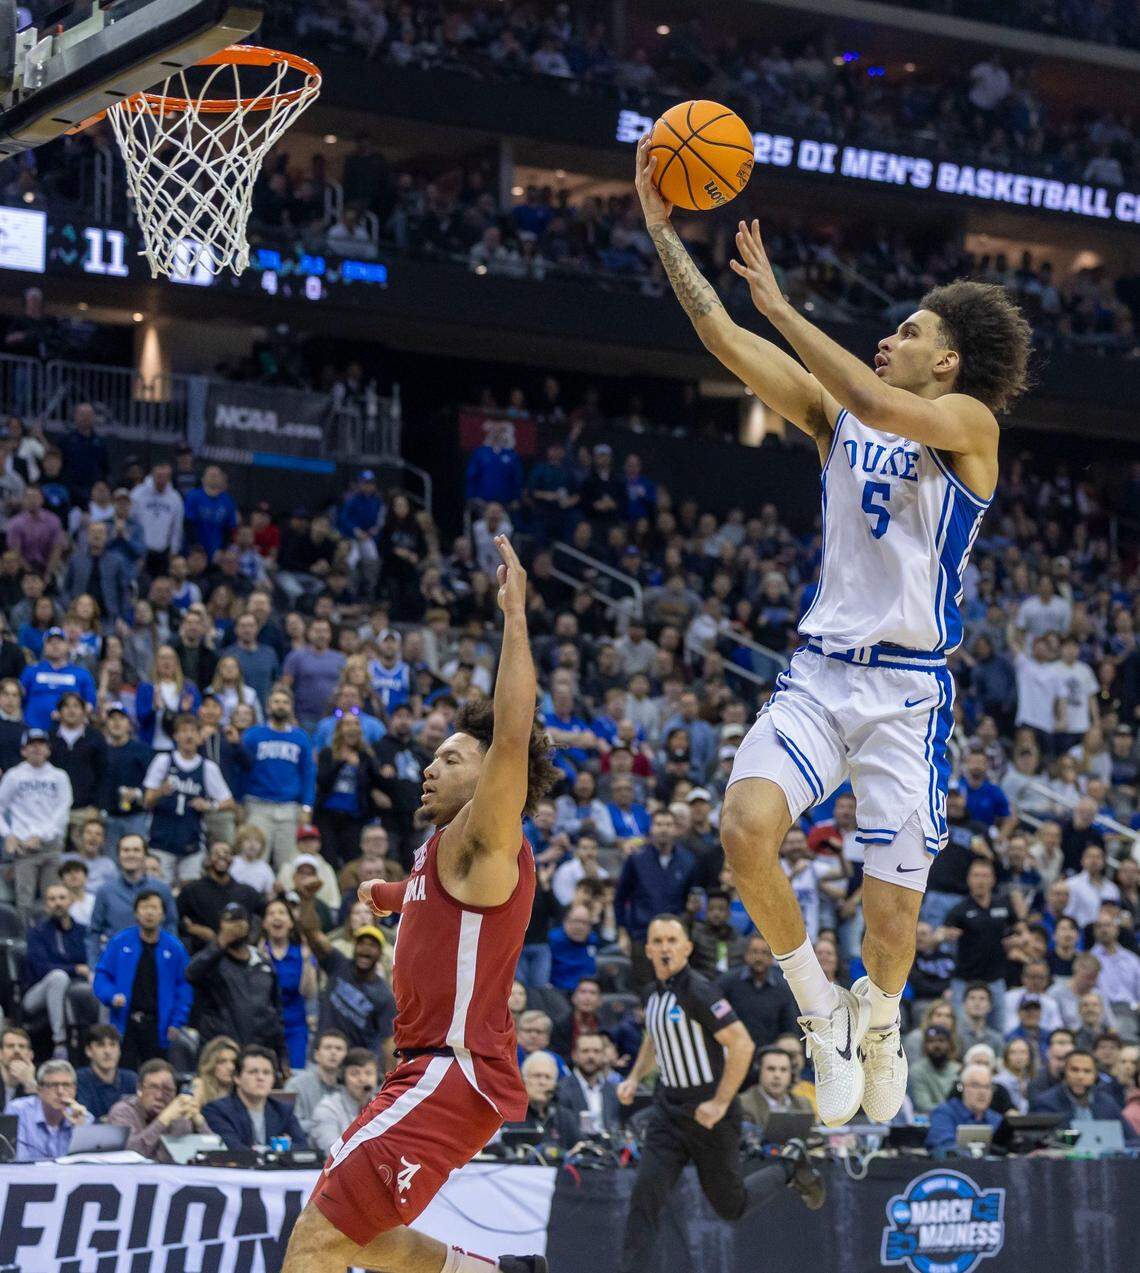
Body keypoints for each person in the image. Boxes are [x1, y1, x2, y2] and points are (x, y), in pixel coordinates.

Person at [634, 138, 1031, 1128]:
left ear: (946, 359)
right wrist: (662, 234)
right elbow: (727, 340)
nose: (888, 338)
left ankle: (882, 1015)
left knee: (890, 922)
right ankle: (819, 1009)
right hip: (820, 675)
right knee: (743, 831)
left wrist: (785, 305)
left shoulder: (971, 426)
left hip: (907, 698)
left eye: (906, 330)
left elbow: (872, 394)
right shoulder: (839, 421)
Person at [283, 536, 558, 1273]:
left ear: (493, 778)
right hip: (426, 1068)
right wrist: (379, 896)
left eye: (451, 757)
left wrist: (514, 617)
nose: (430, 765)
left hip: (452, 1068)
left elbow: (512, 731)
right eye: (432, 755)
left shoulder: (487, 836)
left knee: (313, 1244)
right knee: (356, 1238)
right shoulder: (444, 856)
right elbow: (428, 903)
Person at [616, 915, 824, 1273]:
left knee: (731, 1205)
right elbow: (655, 1036)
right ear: (648, 949)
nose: (665, 947)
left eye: (672, 940)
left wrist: (720, 1102)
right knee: (644, 1198)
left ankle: (790, 1164)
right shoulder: (652, 995)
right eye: (658, 941)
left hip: (711, 1114)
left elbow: (742, 1045)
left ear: (687, 948)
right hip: (669, 1112)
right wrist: (635, 1078)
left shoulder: (699, 991)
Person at [92, 889, 193, 1071]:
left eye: (154, 908)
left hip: (158, 1026)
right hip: (125, 1023)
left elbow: (184, 987)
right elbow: (102, 976)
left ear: (163, 914)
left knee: (156, 1076)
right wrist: (111, 996)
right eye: (144, 907)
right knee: (124, 1076)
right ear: (136, 913)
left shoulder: (175, 948)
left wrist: (177, 1021)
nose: (149, 912)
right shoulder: (120, 942)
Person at [296, 887, 396, 1065]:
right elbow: (311, 933)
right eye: (361, 943)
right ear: (354, 947)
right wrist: (307, 901)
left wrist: (389, 1080)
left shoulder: (384, 995)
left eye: (372, 945)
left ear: (380, 953)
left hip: (354, 1069)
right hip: (321, 1059)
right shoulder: (338, 964)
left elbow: (387, 1042)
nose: (365, 949)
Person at [185, 902, 288, 1071]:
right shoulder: (211, 962)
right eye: (229, 922)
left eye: (239, 921)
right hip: (220, 1056)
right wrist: (221, 942)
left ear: (249, 925)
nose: (234, 927)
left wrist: (282, 1055)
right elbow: (190, 974)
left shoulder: (264, 965)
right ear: (220, 926)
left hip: (258, 1054)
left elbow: (276, 1013)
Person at [143, 713, 234, 883]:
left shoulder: (208, 767)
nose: (189, 735)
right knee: (159, 890)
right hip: (161, 841)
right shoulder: (163, 761)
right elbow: (147, 800)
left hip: (192, 843)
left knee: (189, 893)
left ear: (200, 737)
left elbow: (229, 802)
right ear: (175, 736)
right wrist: (161, 791)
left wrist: (209, 806)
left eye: (193, 731)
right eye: (184, 731)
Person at [614, 808, 698, 985]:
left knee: (675, 988)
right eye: (659, 824)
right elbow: (620, 898)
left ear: (675, 829)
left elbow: (690, 899)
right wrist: (622, 932)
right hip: (642, 936)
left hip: (675, 937)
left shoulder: (688, 860)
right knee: (645, 990)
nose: (664, 829)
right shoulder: (636, 859)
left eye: (668, 824)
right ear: (651, 828)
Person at [241, 686, 316, 869]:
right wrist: (239, 800)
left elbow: (308, 772)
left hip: (289, 807)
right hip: (258, 804)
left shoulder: (300, 737)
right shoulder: (253, 735)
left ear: (291, 707)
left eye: (285, 702)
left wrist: (307, 806)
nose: (280, 706)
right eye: (276, 702)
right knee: (254, 859)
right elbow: (241, 770)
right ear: (268, 707)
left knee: (288, 864)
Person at [22, 882, 97, 1057]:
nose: (58, 903)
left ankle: (101, 1035)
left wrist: (87, 971)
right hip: (36, 993)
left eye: (62, 898)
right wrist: (76, 969)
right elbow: (41, 969)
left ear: (71, 901)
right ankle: (60, 1042)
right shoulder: (37, 932)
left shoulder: (83, 931)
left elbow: (91, 961)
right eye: (52, 899)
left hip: (74, 990)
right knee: (58, 976)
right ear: (46, 904)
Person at [0, 727, 72, 910]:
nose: (37, 748)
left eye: (41, 744)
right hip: (24, 848)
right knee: (24, 900)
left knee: (53, 898)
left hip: (51, 845)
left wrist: (41, 835)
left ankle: (48, 938)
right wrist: (7, 834)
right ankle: (25, 938)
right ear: (24, 750)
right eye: (32, 745)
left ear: (48, 749)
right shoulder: (14, 776)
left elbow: (63, 810)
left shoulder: (59, 776)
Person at [86, 834, 177, 965]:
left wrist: (168, 959)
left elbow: (170, 925)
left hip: (155, 962)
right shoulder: (105, 891)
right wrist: (94, 967)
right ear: (118, 855)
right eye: (126, 850)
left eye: (136, 850)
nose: (130, 855)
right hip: (116, 964)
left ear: (145, 855)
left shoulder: (162, 890)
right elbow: (94, 932)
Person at [203, 1045, 309, 1151]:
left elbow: (303, 1149)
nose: (260, 1078)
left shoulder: (283, 1111)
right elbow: (232, 1149)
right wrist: (280, 1147)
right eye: (253, 1072)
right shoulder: (217, 1110)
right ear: (237, 1078)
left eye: (266, 1072)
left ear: (273, 1079)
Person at [945, 859, 1012, 1026]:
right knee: (960, 1029)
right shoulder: (959, 910)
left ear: (993, 879)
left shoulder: (1003, 904)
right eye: (976, 876)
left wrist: (1020, 938)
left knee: (998, 1028)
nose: (980, 880)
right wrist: (945, 935)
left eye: (985, 876)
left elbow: (1018, 927)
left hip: (995, 978)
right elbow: (943, 933)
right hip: (964, 979)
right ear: (969, 879)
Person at [176, 840, 265, 954]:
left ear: (233, 860)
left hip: (238, 956)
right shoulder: (191, 890)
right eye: (216, 853)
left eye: (226, 853)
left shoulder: (246, 891)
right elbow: (175, 919)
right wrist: (195, 929)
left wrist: (254, 938)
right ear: (208, 859)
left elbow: (266, 913)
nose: (222, 856)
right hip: (201, 954)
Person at [107, 1058, 207, 1159]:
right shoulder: (122, 1112)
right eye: (153, 1087)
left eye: (167, 1089)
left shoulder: (180, 1118)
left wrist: (200, 1123)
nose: (160, 1096)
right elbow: (130, 1155)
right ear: (139, 1089)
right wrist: (163, 1120)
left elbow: (216, 1156)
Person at [261, 896, 318, 1071]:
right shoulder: (256, 955)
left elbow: (311, 993)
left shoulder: (303, 954)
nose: (276, 917)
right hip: (265, 1027)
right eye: (271, 913)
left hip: (296, 1027)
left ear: (290, 922)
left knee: (296, 1075)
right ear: (264, 923)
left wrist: (308, 961)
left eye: (282, 913)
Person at [1030, 1049, 1136, 1140]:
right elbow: (1043, 1141)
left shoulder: (1107, 1103)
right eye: (1074, 1070)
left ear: (1095, 1076)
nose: (1080, 1076)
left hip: (1104, 1162)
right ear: (1064, 1072)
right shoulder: (1046, 1102)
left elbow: (1133, 1139)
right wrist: (1088, 1136)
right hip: (1063, 1162)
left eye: (1087, 1071)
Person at [8, 1058, 91, 1159]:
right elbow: (16, 1161)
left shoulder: (83, 1117)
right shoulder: (18, 1111)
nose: (60, 1091)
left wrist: (79, 1129)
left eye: (66, 1085)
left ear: (74, 1090)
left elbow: (87, 1165)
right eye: (53, 1085)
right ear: (39, 1090)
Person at [20, 626, 96, 730]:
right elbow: (19, 698)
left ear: (67, 645)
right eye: (50, 642)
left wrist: (68, 715)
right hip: (33, 731)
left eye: (59, 642)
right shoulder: (31, 671)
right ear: (44, 647)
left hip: (68, 732)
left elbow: (90, 704)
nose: (55, 645)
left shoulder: (81, 673)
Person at [310, 1048, 379, 1156]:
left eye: (369, 1073)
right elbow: (331, 1151)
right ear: (343, 1078)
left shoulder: (384, 1107)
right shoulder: (327, 1108)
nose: (362, 1079)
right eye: (355, 1073)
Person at [555, 1031, 621, 1138]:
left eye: (596, 1051)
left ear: (604, 1055)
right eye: (585, 1051)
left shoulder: (613, 1090)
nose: (591, 1056)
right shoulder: (561, 1090)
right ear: (574, 1055)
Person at [285, 1029, 349, 1136]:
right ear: (316, 1055)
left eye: (339, 1049)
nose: (333, 1052)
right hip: (306, 1147)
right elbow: (290, 1123)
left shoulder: (350, 1086)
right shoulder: (296, 1084)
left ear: (346, 1056)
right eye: (328, 1047)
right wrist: (325, 1126)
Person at [925, 1062, 1002, 1153]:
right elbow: (943, 1146)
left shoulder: (995, 1118)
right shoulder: (944, 1113)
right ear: (961, 1087)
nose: (982, 1092)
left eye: (987, 1087)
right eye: (976, 1085)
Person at [739, 1045, 815, 1133]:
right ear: (758, 1071)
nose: (777, 1075)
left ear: (791, 1074)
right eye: (771, 1069)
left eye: (783, 1070)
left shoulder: (804, 1104)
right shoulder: (743, 1104)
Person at [75, 1023, 138, 1119]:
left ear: (119, 1050)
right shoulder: (78, 1080)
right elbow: (84, 1120)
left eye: (113, 1045)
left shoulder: (131, 1079)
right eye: (101, 1045)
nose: (107, 1051)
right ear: (88, 1051)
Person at [690, 888, 749, 977]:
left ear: (729, 913)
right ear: (705, 912)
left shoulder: (739, 940)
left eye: (721, 909)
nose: (716, 913)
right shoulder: (695, 936)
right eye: (711, 909)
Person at [909, 1025, 962, 1114]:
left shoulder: (959, 1070)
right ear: (925, 1045)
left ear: (950, 1044)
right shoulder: (916, 1071)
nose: (936, 1045)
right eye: (931, 1041)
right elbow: (924, 1106)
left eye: (941, 1041)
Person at [191, 1035, 239, 1108]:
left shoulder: (242, 1091)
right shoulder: (199, 1085)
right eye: (222, 1062)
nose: (230, 1067)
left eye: (234, 1062)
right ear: (211, 1064)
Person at [0, 1026, 37, 1107]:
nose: (17, 1050)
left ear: (31, 1055)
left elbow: (38, 1116)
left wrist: (30, 1083)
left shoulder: (42, 1083)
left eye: (22, 1046)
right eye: (10, 1046)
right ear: (1, 1054)